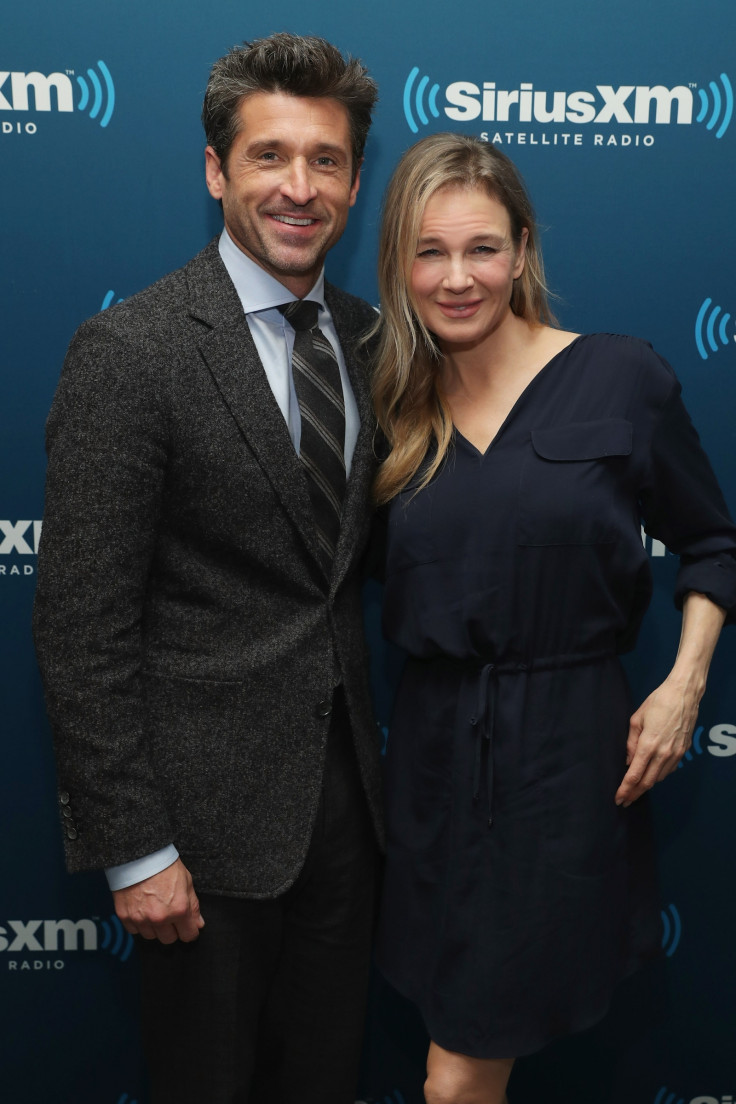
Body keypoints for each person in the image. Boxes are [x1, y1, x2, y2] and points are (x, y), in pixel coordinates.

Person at [33, 33, 382, 1104]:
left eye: (325, 160)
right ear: (214, 171)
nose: (298, 186)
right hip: (197, 840)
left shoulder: (374, 342)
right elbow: (78, 624)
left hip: (348, 819)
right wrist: (135, 852)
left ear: (356, 181)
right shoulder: (131, 350)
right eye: (269, 155)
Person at [369, 133, 736, 1104]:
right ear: (399, 262)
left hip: (569, 766)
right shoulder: (387, 409)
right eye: (429, 251)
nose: (456, 279)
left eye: (482, 248)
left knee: (454, 1079)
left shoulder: (622, 378)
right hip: (431, 769)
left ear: (523, 251)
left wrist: (683, 686)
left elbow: (713, 544)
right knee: (451, 1053)